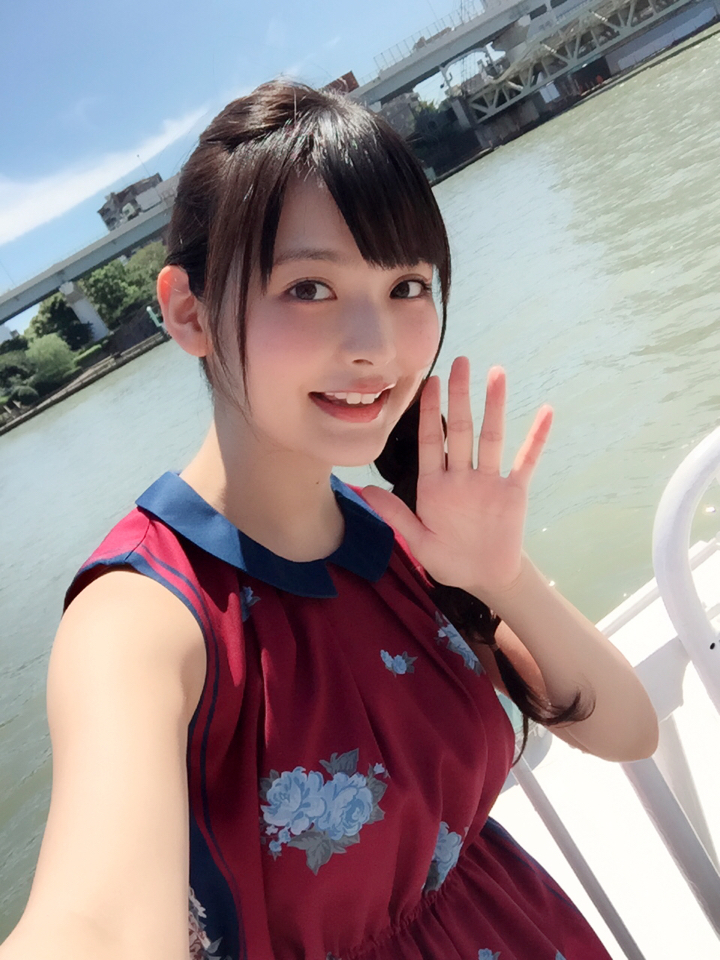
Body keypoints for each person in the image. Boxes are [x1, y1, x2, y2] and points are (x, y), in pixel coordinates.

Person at [0, 80, 658, 960]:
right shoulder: (143, 616)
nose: (376, 347)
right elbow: (94, 925)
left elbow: (627, 730)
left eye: (407, 285)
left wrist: (502, 577)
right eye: (309, 287)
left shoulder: (395, 537)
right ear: (189, 312)